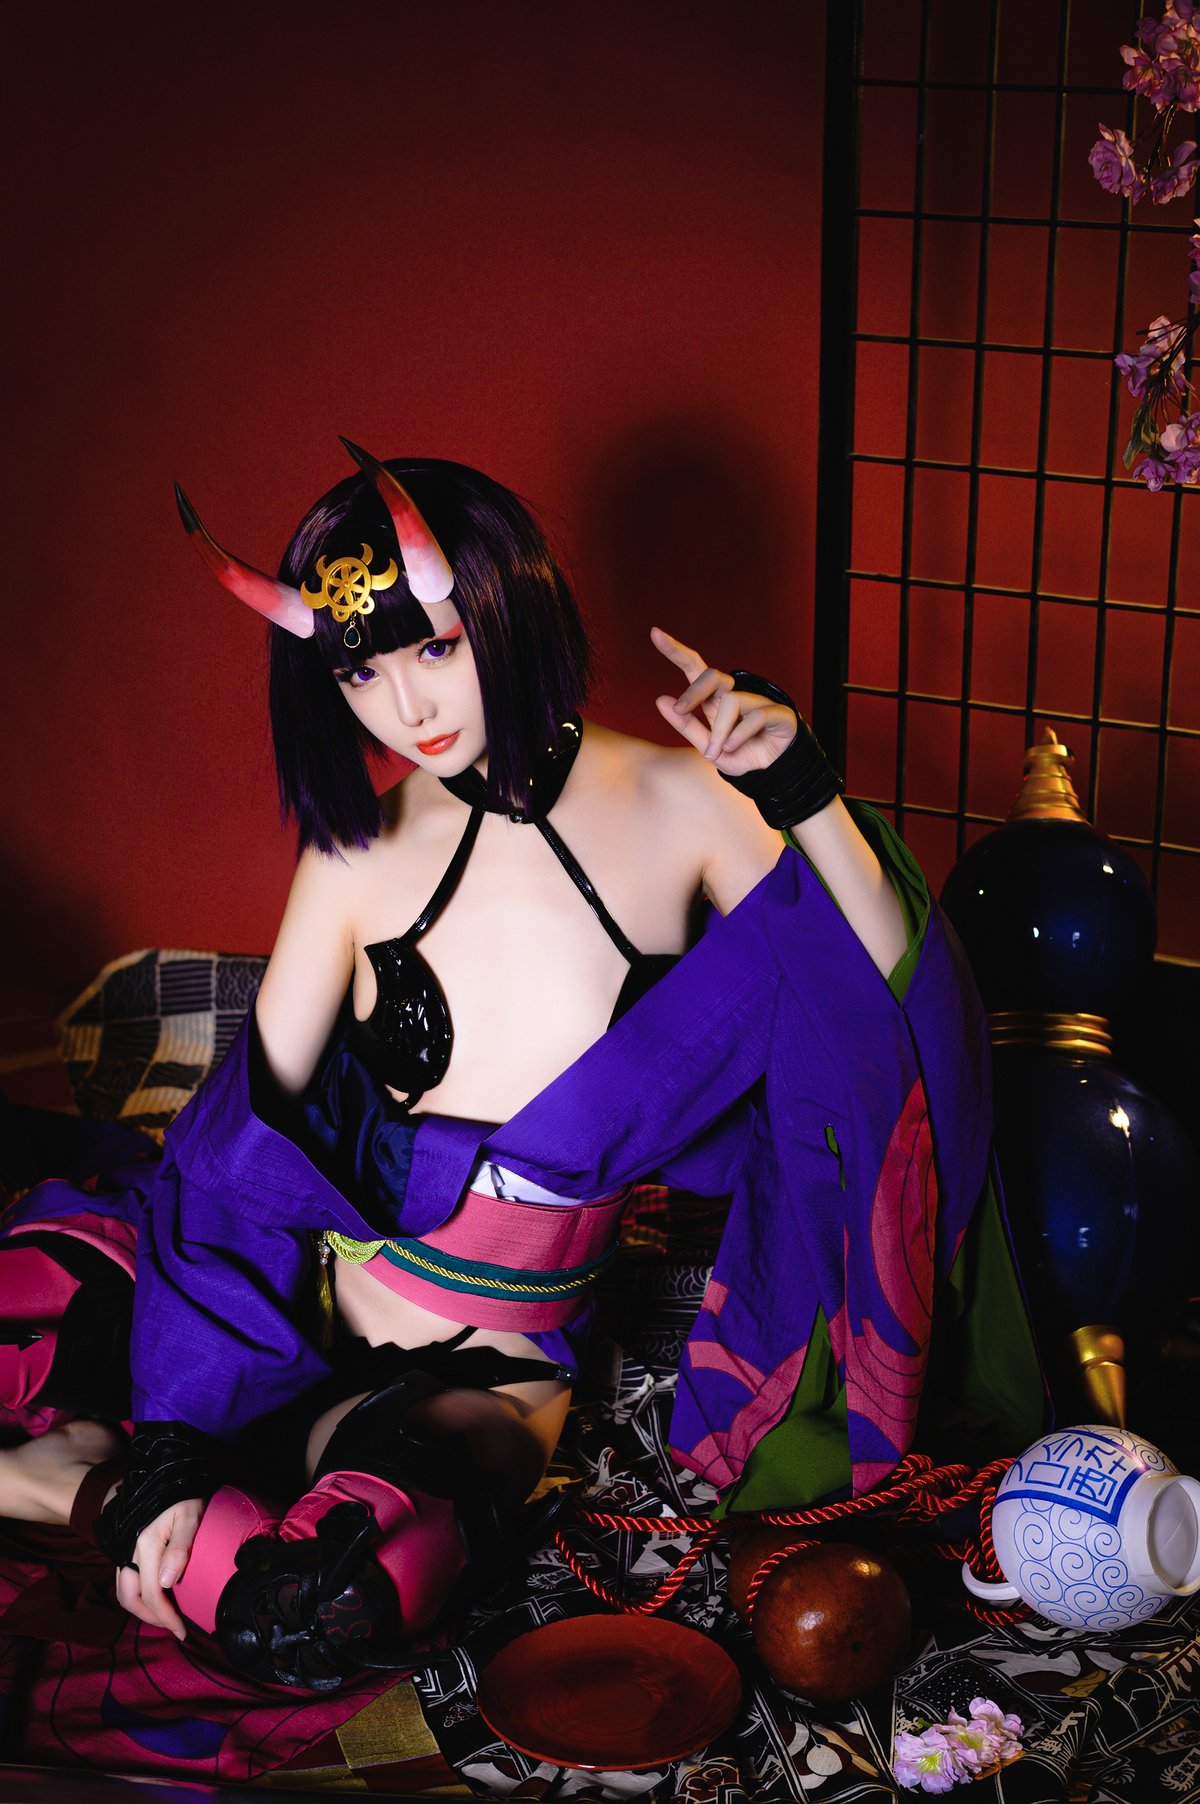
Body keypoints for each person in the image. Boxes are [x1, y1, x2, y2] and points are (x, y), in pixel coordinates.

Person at [8, 447, 1043, 1689]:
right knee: (104, 1397)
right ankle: (94, 1476)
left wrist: (802, 792)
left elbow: (885, 1009)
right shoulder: (356, 853)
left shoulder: (684, 802)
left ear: (509, 607)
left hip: (483, 1379)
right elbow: (234, 1158)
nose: (406, 706)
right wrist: (175, 1441)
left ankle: (74, 1478)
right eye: (360, 670)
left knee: (312, 1609)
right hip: (276, 1335)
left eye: (435, 647)